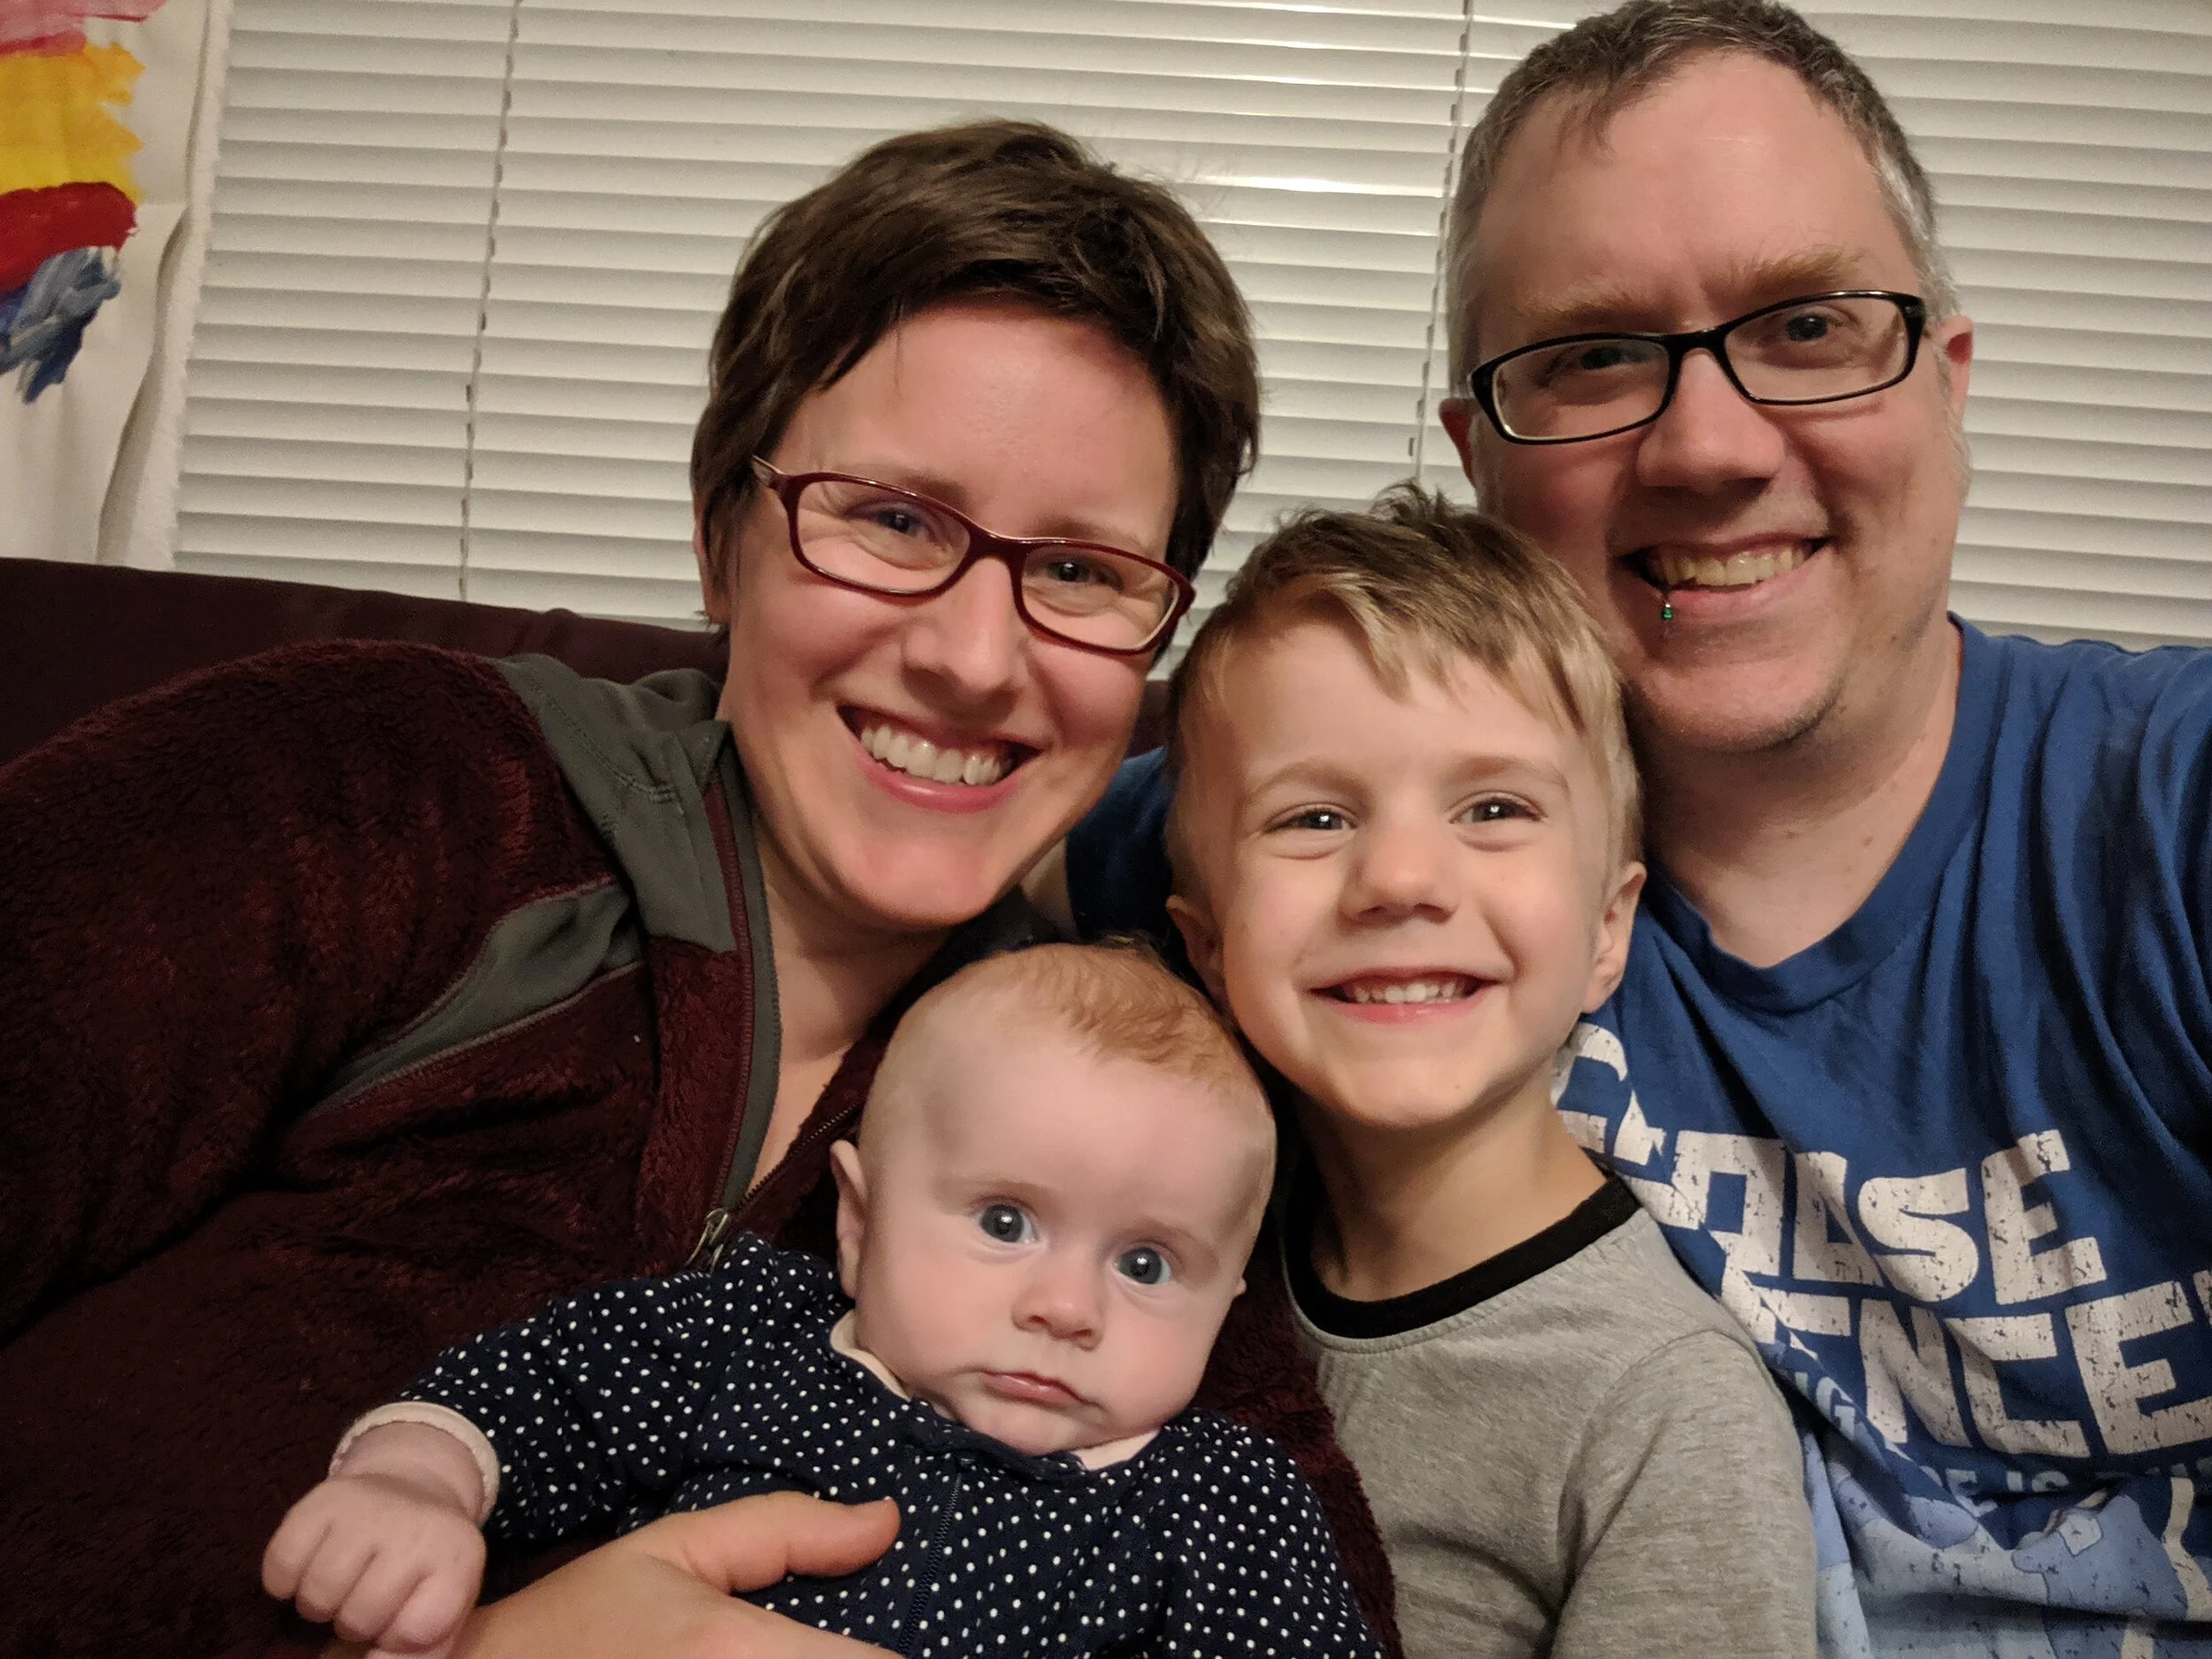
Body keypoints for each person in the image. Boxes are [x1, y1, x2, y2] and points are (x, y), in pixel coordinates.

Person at [0, 121, 1397, 1659]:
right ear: (721, 531)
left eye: (1080, 571)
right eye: (892, 518)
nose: (973, 656)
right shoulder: (388, 781)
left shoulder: (1135, 1091)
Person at [1064, 2, 2212, 1651]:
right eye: (1594, 356)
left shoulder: (2169, 819)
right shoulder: (1290, 865)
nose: (1712, 447)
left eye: (1807, 324)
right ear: (1480, 456)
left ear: (1945, 383)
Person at [262, 944, 1386, 1659]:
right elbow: (543, 1386)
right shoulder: (756, 1335)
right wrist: (411, 1485)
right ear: (857, 1221)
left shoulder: (1220, 1498)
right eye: (1005, 1223)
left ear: (1225, 1301)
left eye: (1145, 1265)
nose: (1066, 1308)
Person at [1156, 488, 1815, 1656]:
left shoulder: (1666, 1410)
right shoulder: (1162, 1248)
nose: (1400, 878)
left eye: (1495, 807)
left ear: (1608, 930)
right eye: (1312, 818)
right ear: (1209, 948)